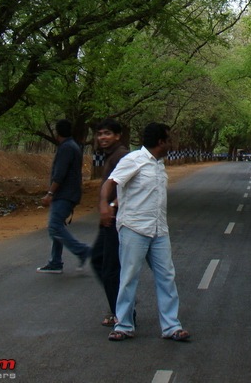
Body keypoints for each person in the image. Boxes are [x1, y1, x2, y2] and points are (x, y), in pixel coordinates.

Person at [99, 122, 190, 342]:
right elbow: (110, 184)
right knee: (129, 277)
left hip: (159, 230)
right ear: (160, 141)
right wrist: (105, 206)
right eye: (169, 139)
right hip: (134, 228)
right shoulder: (133, 160)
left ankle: (171, 326)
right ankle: (123, 325)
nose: (171, 143)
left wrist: (120, 201)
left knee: (167, 277)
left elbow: (132, 191)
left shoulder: (159, 164)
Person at [36, 119, 90, 274]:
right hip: (70, 193)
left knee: (54, 226)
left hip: (64, 194)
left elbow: (60, 174)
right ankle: (55, 262)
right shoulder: (73, 146)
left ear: (57, 133)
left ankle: (81, 251)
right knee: (57, 225)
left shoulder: (66, 148)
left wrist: (50, 193)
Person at [90, 118, 129, 327]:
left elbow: (130, 186)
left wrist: (111, 206)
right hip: (108, 220)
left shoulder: (121, 156)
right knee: (99, 260)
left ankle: (122, 312)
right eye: (99, 134)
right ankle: (121, 306)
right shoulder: (112, 156)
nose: (102, 137)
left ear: (117, 135)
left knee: (110, 267)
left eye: (106, 133)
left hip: (116, 220)